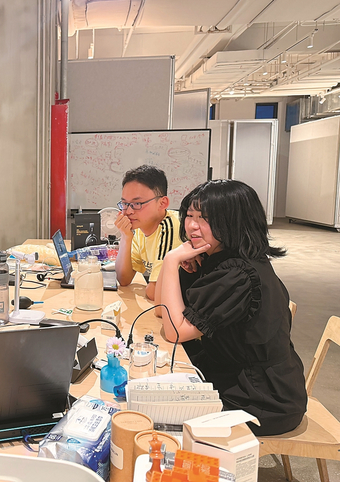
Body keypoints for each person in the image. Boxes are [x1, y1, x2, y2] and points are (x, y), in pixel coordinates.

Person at [155, 179, 307, 436]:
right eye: (190, 215)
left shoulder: (238, 275)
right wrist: (178, 265)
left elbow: (176, 331)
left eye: (204, 218)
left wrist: (170, 261)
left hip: (261, 400)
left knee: (156, 414)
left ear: (233, 221)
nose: (192, 225)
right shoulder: (218, 257)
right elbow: (162, 310)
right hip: (234, 375)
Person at [114, 165, 182, 302]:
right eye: (125, 203)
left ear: (162, 203)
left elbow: (156, 293)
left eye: (137, 203)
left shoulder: (171, 226)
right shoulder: (140, 227)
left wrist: (150, 288)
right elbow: (123, 278)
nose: (128, 211)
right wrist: (126, 237)